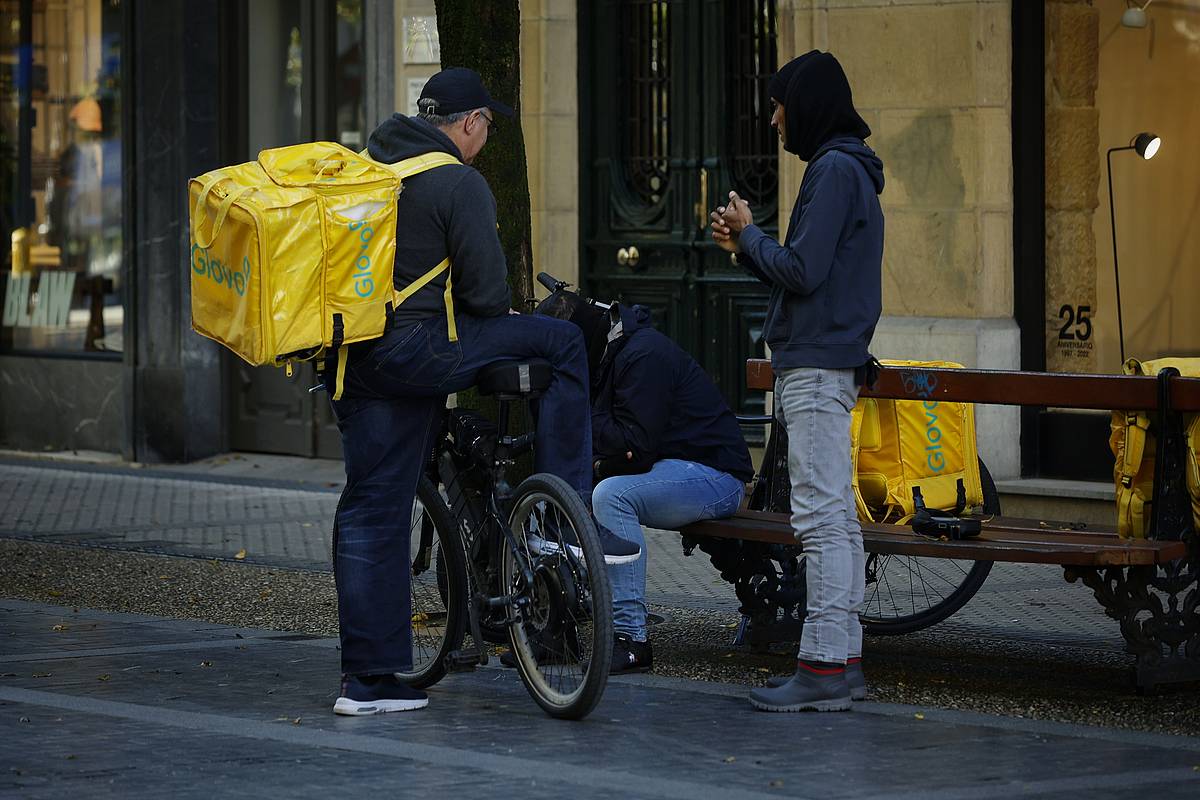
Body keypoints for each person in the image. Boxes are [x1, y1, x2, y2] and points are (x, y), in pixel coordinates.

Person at [327, 67, 638, 717]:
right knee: (558, 344)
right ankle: (565, 515)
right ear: (469, 123)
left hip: (353, 358)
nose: (486, 138)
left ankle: (368, 681)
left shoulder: (367, 164)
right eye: (487, 127)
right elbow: (489, 298)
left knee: (370, 510)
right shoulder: (457, 181)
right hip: (416, 352)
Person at [710, 51, 884, 712]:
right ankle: (843, 661)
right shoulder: (851, 170)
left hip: (815, 366)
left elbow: (804, 271)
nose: (775, 118)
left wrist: (752, 236)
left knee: (817, 517)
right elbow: (811, 273)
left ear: (807, 104)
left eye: (781, 104)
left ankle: (821, 667)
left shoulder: (833, 170)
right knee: (836, 517)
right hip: (829, 358)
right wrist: (750, 246)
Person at [535, 292, 754, 673]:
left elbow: (634, 446)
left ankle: (630, 638)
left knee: (612, 496)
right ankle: (558, 631)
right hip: (671, 468)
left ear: (579, 340)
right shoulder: (607, 353)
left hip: (716, 476)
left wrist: (577, 413)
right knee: (553, 492)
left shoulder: (642, 355)